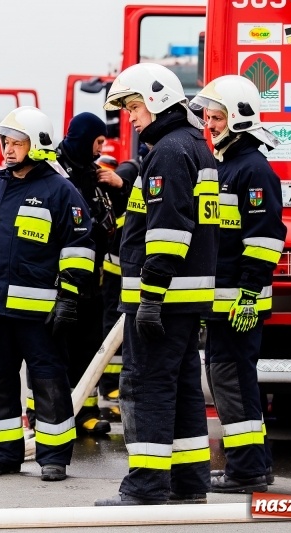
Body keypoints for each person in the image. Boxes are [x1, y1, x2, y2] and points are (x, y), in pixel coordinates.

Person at [93, 63, 220, 506]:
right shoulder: (195, 148)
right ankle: (188, 483)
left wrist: (150, 294)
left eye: (133, 105)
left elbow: (168, 230)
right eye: (126, 107)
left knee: (148, 386)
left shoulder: (168, 152)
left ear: (158, 99)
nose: (129, 115)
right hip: (185, 299)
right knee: (182, 387)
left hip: (162, 300)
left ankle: (146, 488)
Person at [0, 106, 96, 482]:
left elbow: (80, 248)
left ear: (38, 145)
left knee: (49, 383)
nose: (8, 149)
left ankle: (53, 459)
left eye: (17, 142)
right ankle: (3, 454)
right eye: (5, 142)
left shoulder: (60, 191)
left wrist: (68, 298)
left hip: (41, 315)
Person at [191, 75, 287, 493]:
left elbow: (266, 240)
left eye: (217, 117)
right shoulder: (227, 165)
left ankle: (247, 471)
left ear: (240, 118)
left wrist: (248, 294)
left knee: (233, 382)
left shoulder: (253, 169)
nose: (209, 124)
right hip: (224, 302)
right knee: (229, 381)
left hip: (239, 303)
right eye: (208, 116)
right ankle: (252, 467)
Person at [25, 112, 129, 437]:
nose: (101, 149)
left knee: (87, 349)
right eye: (98, 142)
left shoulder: (94, 174)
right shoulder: (54, 172)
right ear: (85, 139)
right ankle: (42, 417)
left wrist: (119, 184)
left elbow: (120, 212)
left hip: (91, 281)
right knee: (53, 352)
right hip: (58, 283)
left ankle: (83, 413)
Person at [98, 146, 147, 405]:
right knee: (113, 323)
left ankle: (113, 384)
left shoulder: (138, 172)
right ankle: (109, 385)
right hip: (117, 268)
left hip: (126, 266)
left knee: (121, 323)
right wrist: (121, 182)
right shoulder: (132, 171)